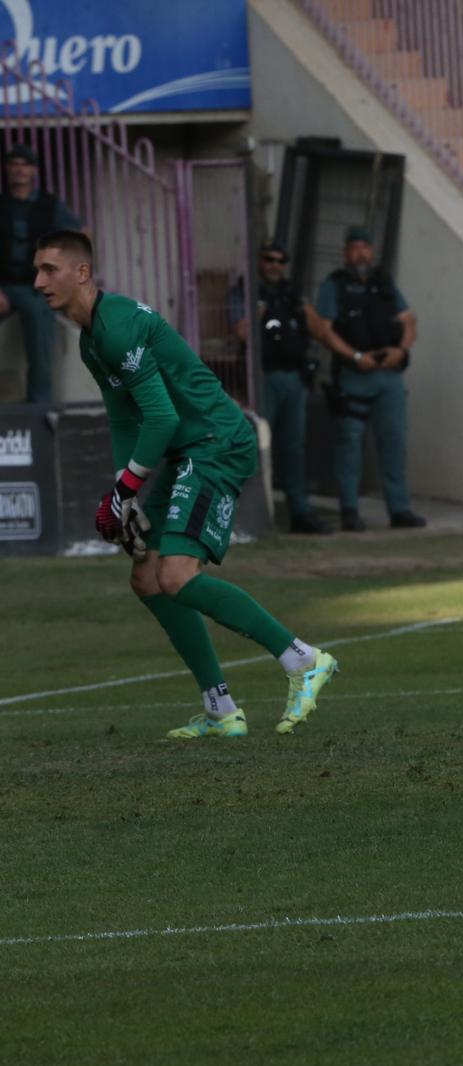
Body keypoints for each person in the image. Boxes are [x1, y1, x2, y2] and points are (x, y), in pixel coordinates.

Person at [33, 230, 339, 738]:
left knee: (174, 574)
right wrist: (120, 489)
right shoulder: (92, 338)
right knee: (147, 579)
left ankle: (302, 659)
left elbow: (160, 416)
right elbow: (124, 420)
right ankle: (220, 709)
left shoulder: (117, 328)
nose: (38, 281)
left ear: (81, 272)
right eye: (37, 270)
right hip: (186, 446)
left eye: (49, 269)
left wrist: (126, 491)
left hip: (215, 442)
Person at [314, 225, 425, 531]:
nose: (360, 253)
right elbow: (325, 330)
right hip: (354, 374)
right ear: (345, 252)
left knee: (394, 441)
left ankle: (399, 509)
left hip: (388, 373)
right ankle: (350, 510)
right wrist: (356, 357)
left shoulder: (384, 283)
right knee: (349, 443)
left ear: (371, 251)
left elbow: (408, 321)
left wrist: (401, 350)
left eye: (365, 247)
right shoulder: (334, 285)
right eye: (354, 247)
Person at [230, 242, 331, 534]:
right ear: (258, 262)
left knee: (293, 447)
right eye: (269, 260)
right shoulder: (245, 291)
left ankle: (300, 512)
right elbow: (240, 331)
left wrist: (302, 306)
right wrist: (258, 311)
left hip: (294, 378)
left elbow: (318, 330)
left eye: (280, 260)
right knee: (257, 444)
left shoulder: (292, 293)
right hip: (263, 377)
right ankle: (252, 512)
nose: (275, 265)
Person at [1, 143, 82, 403]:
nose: (19, 170)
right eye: (14, 164)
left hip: (35, 287)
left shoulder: (49, 205)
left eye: (25, 165)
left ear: (34, 171)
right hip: (3, 287)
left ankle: (39, 407)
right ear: (7, 169)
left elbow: (79, 236)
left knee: (40, 333)